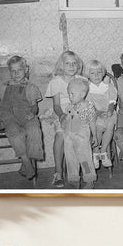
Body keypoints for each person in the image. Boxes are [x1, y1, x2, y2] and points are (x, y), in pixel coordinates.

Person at [0, 55, 44, 180]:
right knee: (15, 134)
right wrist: (1, 120)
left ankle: (26, 162)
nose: (16, 73)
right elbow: (0, 104)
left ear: (26, 70)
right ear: (10, 72)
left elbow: (34, 107)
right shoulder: (4, 86)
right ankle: (26, 161)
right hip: (9, 117)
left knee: (34, 130)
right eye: (13, 71)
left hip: (26, 115)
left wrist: (32, 113)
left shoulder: (31, 87)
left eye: (19, 70)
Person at [45, 50, 84, 187]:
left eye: (74, 63)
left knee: (82, 136)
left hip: (79, 115)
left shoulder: (82, 80)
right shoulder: (56, 82)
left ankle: (84, 170)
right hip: (61, 113)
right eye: (68, 63)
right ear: (61, 65)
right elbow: (56, 105)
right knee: (60, 135)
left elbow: (86, 102)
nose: (71, 66)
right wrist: (62, 116)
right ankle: (58, 172)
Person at [63, 78, 97, 189]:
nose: (70, 96)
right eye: (69, 94)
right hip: (69, 136)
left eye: (72, 94)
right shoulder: (69, 106)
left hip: (82, 137)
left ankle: (89, 179)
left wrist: (94, 135)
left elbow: (92, 122)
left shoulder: (88, 106)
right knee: (70, 158)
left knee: (85, 159)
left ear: (82, 94)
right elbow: (67, 120)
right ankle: (73, 179)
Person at [84, 59, 117, 169]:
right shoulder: (87, 89)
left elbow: (112, 100)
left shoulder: (108, 86)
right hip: (95, 113)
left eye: (99, 72)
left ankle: (103, 152)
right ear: (88, 75)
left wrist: (110, 110)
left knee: (110, 125)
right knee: (97, 127)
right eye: (92, 73)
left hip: (108, 111)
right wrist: (98, 113)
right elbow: (89, 105)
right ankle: (95, 151)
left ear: (103, 73)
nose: (96, 75)